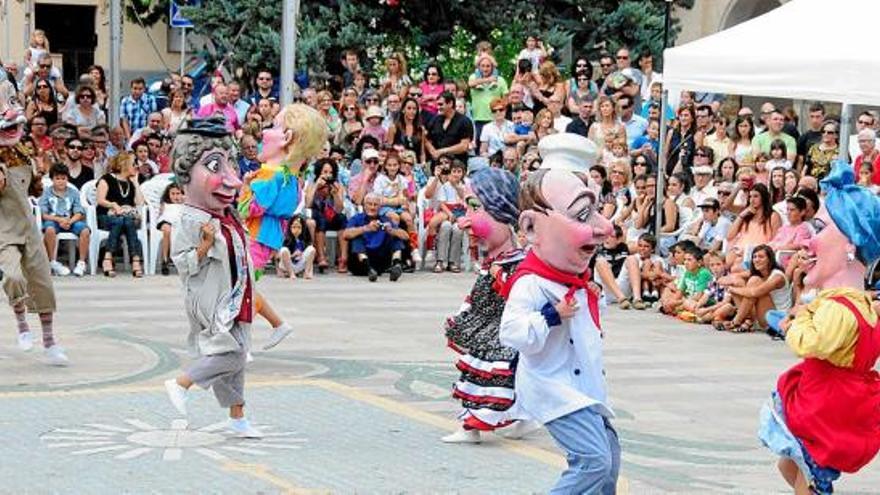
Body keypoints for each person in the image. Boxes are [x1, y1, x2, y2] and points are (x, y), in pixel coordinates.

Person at [499, 133, 619, 494]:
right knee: (593, 462)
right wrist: (551, 316)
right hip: (553, 388)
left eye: (598, 210)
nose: (604, 227)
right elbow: (512, 333)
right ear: (531, 227)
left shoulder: (576, 280)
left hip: (584, 388)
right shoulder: (531, 284)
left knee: (609, 462)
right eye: (584, 214)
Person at [759, 162, 880, 495]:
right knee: (792, 463)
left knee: (809, 477)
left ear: (850, 245)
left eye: (821, 230)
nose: (809, 244)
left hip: (825, 410)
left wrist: (796, 319)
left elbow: (810, 343)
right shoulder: (860, 303)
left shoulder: (837, 308)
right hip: (835, 401)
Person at [164, 117, 262, 439]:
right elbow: (180, 263)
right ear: (185, 172)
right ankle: (182, 382)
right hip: (211, 301)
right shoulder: (190, 220)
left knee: (237, 362)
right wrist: (204, 249)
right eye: (214, 166)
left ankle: (238, 418)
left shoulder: (225, 215)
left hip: (234, 297)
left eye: (230, 165)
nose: (231, 180)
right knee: (231, 355)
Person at [442, 167, 539, 443]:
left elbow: (515, 296)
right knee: (502, 377)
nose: (465, 222)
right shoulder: (497, 262)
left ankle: (473, 426)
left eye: (476, 209)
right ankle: (521, 417)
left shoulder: (515, 263)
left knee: (490, 377)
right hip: (491, 331)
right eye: (466, 209)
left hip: (499, 336)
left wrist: (499, 277)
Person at [238, 104, 325, 348]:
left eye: (274, 126)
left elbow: (250, 208)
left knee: (241, 289)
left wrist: (245, 188)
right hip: (266, 235)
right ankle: (276, 326)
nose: (264, 133)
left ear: (287, 138)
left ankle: (240, 345)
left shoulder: (274, 176)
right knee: (245, 286)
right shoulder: (288, 177)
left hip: (257, 235)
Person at [0, 95, 68, 365]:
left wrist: (39, 179)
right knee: (13, 277)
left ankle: (50, 343)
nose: (12, 131)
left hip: (29, 227)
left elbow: (33, 188)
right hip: (5, 231)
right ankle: (22, 327)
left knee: (42, 283)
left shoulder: (24, 155)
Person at [95, 152, 145, 278]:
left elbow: (139, 202)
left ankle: (108, 258)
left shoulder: (131, 183)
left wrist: (136, 183)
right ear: (124, 164)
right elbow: (100, 200)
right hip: (107, 216)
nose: (136, 166)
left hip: (125, 217)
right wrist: (114, 205)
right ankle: (135, 261)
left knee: (126, 220)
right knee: (120, 220)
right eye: (134, 163)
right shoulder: (107, 179)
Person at [342, 193, 407, 282]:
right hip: (359, 263)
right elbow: (345, 234)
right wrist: (365, 228)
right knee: (356, 236)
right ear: (364, 206)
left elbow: (406, 236)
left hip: (379, 262)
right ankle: (368, 268)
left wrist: (392, 231)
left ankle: (397, 264)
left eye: (375, 205)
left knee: (396, 235)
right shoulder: (356, 219)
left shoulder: (385, 219)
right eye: (369, 204)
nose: (372, 207)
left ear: (380, 207)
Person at [39, 163, 90, 277]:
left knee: (85, 230)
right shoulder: (46, 192)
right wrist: (59, 219)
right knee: (49, 230)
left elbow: (79, 212)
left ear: (67, 178)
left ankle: (81, 263)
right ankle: (52, 261)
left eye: (63, 178)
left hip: (70, 221)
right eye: (57, 178)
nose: (61, 181)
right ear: (52, 179)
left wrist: (69, 221)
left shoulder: (73, 192)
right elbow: (43, 214)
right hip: (53, 220)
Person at [304, 158, 349, 273]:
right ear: (319, 173)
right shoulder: (312, 184)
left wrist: (335, 195)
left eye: (330, 172)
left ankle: (343, 258)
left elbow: (339, 209)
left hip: (332, 217)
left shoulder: (337, 186)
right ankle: (321, 257)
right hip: (317, 218)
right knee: (320, 218)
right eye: (325, 172)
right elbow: (308, 205)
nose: (328, 175)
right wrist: (316, 187)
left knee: (342, 219)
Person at [426, 91, 473, 164]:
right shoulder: (435, 120)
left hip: (457, 164)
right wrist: (432, 151)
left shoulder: (464, 121)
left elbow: (464, 146)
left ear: (450, 103)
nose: (438, 107)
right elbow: (427, 139)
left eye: (441, 104)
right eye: (437, 104)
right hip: (437, 163)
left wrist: (442, 151)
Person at [156, 182, 184, 276]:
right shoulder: (165, 204)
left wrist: (184, 200)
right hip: (165, 222)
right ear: (168, 194)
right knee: (167, 230)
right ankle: (165, 260)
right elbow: (159, 214)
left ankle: (179, 259)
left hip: (179, 224)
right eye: (173, 194)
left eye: (178, 193)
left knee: (180, 232)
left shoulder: (184, 204)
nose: (175, 196)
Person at [276, 215, 316, 280]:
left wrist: (301, 254)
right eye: (294, 227)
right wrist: (292, 255)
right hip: (288, 264)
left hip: (300, 264)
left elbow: (309, 256)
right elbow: (278, 256)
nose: (296, 230)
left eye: (299, 227)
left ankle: (306, 273)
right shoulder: (286, 238)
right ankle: (291, 274)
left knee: (312, 249)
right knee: (284, 250)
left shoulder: (305, 238)